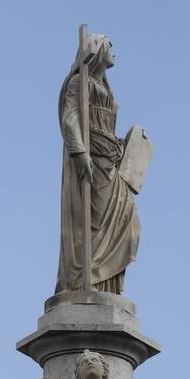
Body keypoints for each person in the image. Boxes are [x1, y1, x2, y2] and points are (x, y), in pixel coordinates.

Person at [55, 33, 141, 295]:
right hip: (92, 163)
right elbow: (70, 118)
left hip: (111, 163)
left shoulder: (104, 87)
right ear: (96, 49)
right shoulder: (79, 83)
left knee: (129, 221)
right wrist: (80, 152)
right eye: (108, 42)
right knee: (91, 228)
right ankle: (86, 280)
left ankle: (108, 286)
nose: (113, 46)